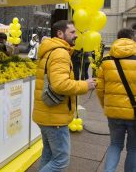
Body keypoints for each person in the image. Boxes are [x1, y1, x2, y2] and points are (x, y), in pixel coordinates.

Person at [33, 20, 96, 172]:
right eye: (72, 32)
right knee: (60, 161)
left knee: (48, 155)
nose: (76, 36)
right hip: (55, 117)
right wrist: (84, 85)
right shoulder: (60, 53)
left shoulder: (51, 50)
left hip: (48, 114)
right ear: (60, 33)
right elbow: (60, 85)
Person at [96, 28, 136, 172]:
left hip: (113, 112)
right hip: (134, 113)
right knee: (133, 149)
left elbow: (100, 89)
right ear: (133, 39)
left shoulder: (106, 60)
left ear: (117, 39)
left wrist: (106, 106)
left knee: (115, 145)